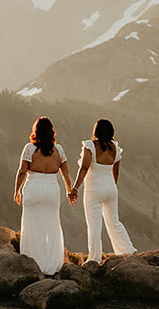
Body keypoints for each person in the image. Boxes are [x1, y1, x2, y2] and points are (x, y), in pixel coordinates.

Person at [70, 118, 136, 265]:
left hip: (94, 189)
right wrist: (112, 186)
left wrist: (75, 188)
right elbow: (116, 171)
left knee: (94, 225)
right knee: (114, 221)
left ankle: (94, 258)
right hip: (111, 188)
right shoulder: (116, 149)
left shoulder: (90, 146)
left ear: (96, 131)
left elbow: (84, 168)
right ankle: (128, 250)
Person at [13, 116, 74, 275]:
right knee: (52, 226)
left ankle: (33, 262)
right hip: (52, 190)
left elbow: (22, 172)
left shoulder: (29, 149)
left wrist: (17, 190)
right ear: (51, 132)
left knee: (32, 226)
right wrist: (70, 191)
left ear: (36, 132)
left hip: (34, 189)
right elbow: (66, 173)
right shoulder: (59, 150)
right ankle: (52, 265)